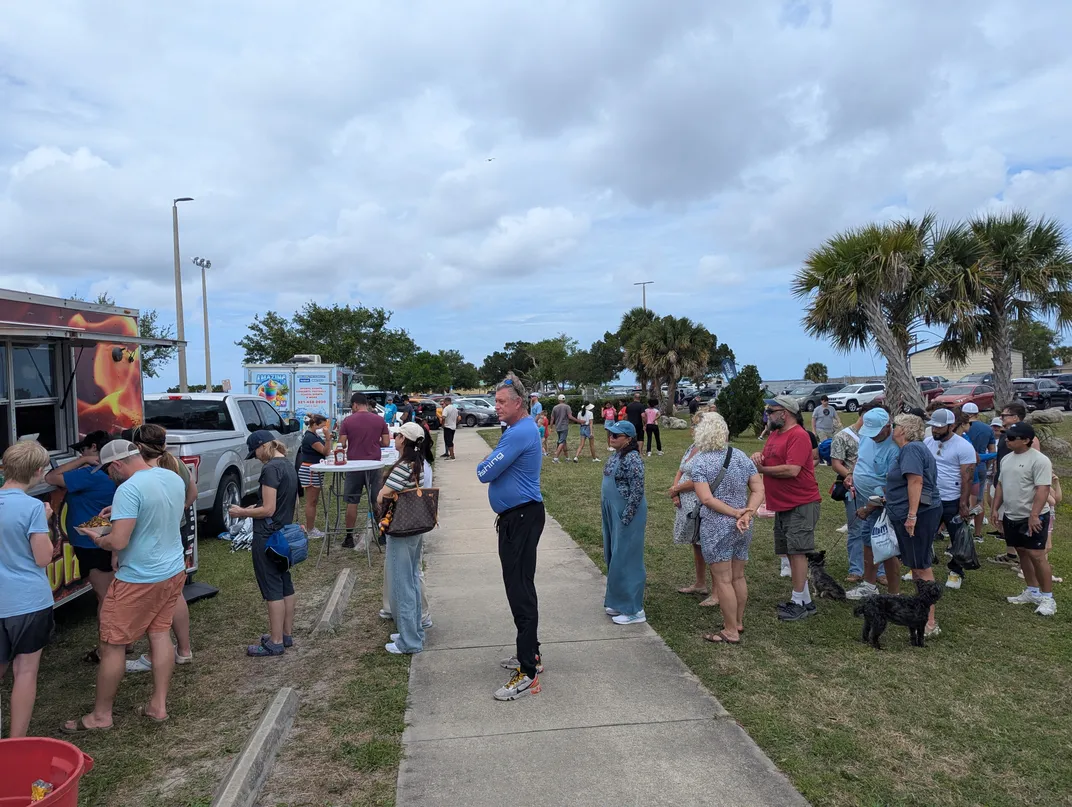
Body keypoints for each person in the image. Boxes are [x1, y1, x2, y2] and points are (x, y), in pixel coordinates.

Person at [63, 439, 187, 731]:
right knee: (159, 635)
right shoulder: (171, 475)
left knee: (112, 644)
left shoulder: (128, 489)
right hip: (171, 570)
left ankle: (101, 716)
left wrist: (97, 537)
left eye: (108, 471)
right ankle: (158, 705)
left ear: (117, 464)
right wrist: (118, 515)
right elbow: (159, 513)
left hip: (138, 578)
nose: (109, 477)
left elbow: (118, 541)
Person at [476, 374, 545, 701]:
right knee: (521, 587)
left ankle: (527, 673)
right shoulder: (518, 429)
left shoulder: (520, 432)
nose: (496, 407)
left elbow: (484, 472)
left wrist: (485, 462)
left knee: (519, 591)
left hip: (521, 517)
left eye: (502, 402)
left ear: (519, 403)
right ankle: (530, 655)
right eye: (496, 401)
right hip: (518, 517)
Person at [123, 424, 198, 673]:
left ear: (137, 447)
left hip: (149, 536)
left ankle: (156, 652)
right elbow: (193, 493)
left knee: (153, 593)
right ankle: (184, 649)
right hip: (175, 531)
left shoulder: (136, 473)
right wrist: (176, 512)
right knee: (174, 592)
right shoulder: (175, 464)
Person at [684, 414, 763, 644]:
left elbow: (706, 500)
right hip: (744, 524)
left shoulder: (699, 463)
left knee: (723, 580)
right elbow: (758, 489)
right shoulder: (740, 456)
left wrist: (734, 512)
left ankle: (730, 630)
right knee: (738, 576)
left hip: (717, 524)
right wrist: (747, 511)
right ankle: (737, 621)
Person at [43, 430, 117, 664]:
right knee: (111, 593)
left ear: (94, 448)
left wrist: (83, 461)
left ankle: (109, 648)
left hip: (92, 541)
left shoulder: (90, 473)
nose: (81, 454)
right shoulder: (112, 472)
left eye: (83, 450)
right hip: (107, 534)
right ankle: (118, 643)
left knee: (104, 596)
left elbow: (51, 477)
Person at [0, 441, 54, 737]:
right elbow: (43, 558)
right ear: (36, 471)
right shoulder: (33, 508)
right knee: (25, 672)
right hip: (28, 603)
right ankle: (16, 742)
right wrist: (45, 521)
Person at [229, 431, 299, 656]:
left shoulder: (270, 469)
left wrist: (242, 512)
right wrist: (256, 509)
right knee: (285, 583)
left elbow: (268, 509)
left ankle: (275, 642)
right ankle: (286, 634)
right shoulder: (287, 464)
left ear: (262, 446)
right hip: (284, 533)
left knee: (272, 589)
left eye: (255, 452)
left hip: (267, 536)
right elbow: (285, 503)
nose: (256, 457)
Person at [752, 396, 822, 620]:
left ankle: (798, 601)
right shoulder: (774, 434)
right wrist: (758, 457)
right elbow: (768, 459)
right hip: (783, 504)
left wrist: (762, 469)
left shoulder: (799, 435)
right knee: (790, 551)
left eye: (771, 410)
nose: (768, 414)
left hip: (800, 502)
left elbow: (792, 470)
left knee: (798, 551)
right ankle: (805, 600)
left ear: (785, 413)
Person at [885, 414, 942, 635]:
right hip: (916, 512)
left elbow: (915, 481)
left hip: (920, 514)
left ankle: (928, 622)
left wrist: (912, 515)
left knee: (921, 566)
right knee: (916, 565)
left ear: (905, 430)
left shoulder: (911, 449)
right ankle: (921, 614)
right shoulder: (912, 449)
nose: (892, 428)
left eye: (895, 425)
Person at [379, 422, 432, 654]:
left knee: (402, 584)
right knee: (411, 579)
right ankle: (414, 631)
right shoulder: (418, 464)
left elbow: (384, 495)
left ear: (404, 440)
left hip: (400, 529)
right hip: (415, 528)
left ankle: (409, 641)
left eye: (398, 435)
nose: (395, 437)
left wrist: (380, 497)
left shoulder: (403, 466)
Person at [994, 422, 1056, 616]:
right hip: (1012, 514)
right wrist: (995, 509)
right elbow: (1001, 485)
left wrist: (1034, 515)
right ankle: (1032, 591)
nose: (1007, 440)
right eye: (1006, 436)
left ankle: (1048, 598)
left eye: (1012, 438)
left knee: (1037, 555)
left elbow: (1043, 489)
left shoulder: (1040, 460)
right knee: (1022, 553)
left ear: (1026, 440)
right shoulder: (1006, 459)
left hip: (1032, 517)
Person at [844, 408, 895, 599]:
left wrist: (868, 508)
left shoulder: (894, 447)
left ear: (888, 427)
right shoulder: (867, 436)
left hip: (881, 507)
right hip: (866, 502)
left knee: (885, 546)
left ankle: (892, 593)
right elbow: (860, 458)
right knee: (867, 542)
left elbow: (891, 486)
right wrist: (851, 474)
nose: (872, 437)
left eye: (876, 433)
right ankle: (869, 584)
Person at [924, 409, 977, 591]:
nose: (935, 431)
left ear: (952, 426)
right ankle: (922, 565)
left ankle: (956, 571)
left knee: (957, 537)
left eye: (939, 428)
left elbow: (967, 477)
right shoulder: (927, 442)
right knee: (924, 533)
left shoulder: (963, 446)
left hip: (951, 499)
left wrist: (963, 503)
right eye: (933, 427)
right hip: (930, 497)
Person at [602, 421, 648, 624]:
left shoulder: (632, 458)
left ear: (628, 439)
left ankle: (634, 610)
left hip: (627, 513)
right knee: (614, 555)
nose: (611, 438)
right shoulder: (616, 455)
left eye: (616, 435)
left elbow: (637, 490)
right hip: (613, 512)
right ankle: (619, 601)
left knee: (628, 557)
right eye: (610, 434)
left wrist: (626, 517)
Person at [670, 414, 715, 604]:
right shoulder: (692, 447)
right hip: (686, 503)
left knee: (708, 545)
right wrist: (675, 492)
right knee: (696, 544)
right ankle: (700, 583)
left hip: (700, 503)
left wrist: (677, 488)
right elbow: (681, 469)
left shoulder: (710, 450)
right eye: (692, 425)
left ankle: (718, 590)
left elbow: (701, 478)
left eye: (697, 426)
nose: (693, 429)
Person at [990, 401, 1040, 567]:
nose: (1001, 418)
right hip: (1003, 481)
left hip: (1021, 489)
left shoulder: (1028, 437)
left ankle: (1024, 557)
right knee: (1005, 519)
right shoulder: (1005, 435)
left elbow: (1035, 463)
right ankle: (1012, 552)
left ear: (1015, 417)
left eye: (1005, 415)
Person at [338, 392, 391, 548]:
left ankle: (349, 537)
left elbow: (342, 444)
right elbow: (386, 442)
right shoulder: (379, 420)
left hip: (354, 465)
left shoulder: (347, 421)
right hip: (374, 464)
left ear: (355, 404)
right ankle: (382, 534)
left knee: (352, 501)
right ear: (366, 404)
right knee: (377, 500)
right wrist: (374, 442)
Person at [829, 408, 863, 580]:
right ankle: (856, 569)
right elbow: (836, 463)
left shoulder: (884, 436)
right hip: (853, 489)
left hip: (877, 490)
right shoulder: (843, 436)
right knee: (855, 528)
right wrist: (849, 476)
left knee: (878, 529)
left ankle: (879, 571)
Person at [961, 402, 996, 540]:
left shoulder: (961, 428)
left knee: (962, 498)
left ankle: (960, 531)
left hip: (963, 466)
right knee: (979, 499)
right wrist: (987, 466)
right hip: (981, 465)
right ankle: (978, 533)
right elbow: (992, 450)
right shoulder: (988, 429)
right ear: (977, 413)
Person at [296, 414, 330, 537]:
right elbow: (325, 451)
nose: (324, 428)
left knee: (313, 501)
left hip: (314, 470)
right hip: (310, 471)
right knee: (311, 501)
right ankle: (310, 529)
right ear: (315, 425)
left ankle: (311, 527)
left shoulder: (313, 435)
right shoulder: (311, 438)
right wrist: (328, 438)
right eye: (322, 426)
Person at [550, 394, 579, 464]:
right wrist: (579, 421)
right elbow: (570, 416)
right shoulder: (567, 407)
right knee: (562, 442)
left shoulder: (555, 407)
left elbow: (552, 418)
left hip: (558, 426)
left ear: (558, 400)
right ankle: (555, 458)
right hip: (564, 426)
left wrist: (551, 427)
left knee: (563, 441)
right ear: (564, 400)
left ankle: (567, 457)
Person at [440, 396, 459, 461]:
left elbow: (443, 417)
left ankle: (452, 455)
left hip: (447, 427)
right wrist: (455, 423)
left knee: (448, 441)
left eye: (444, 402)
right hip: (453, 427)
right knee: (451, 440)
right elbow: (457, 418)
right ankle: (452, 453)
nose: (444, 403)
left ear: (447, 402)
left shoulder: (446, 409)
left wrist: (442, 424)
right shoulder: (455, 409)